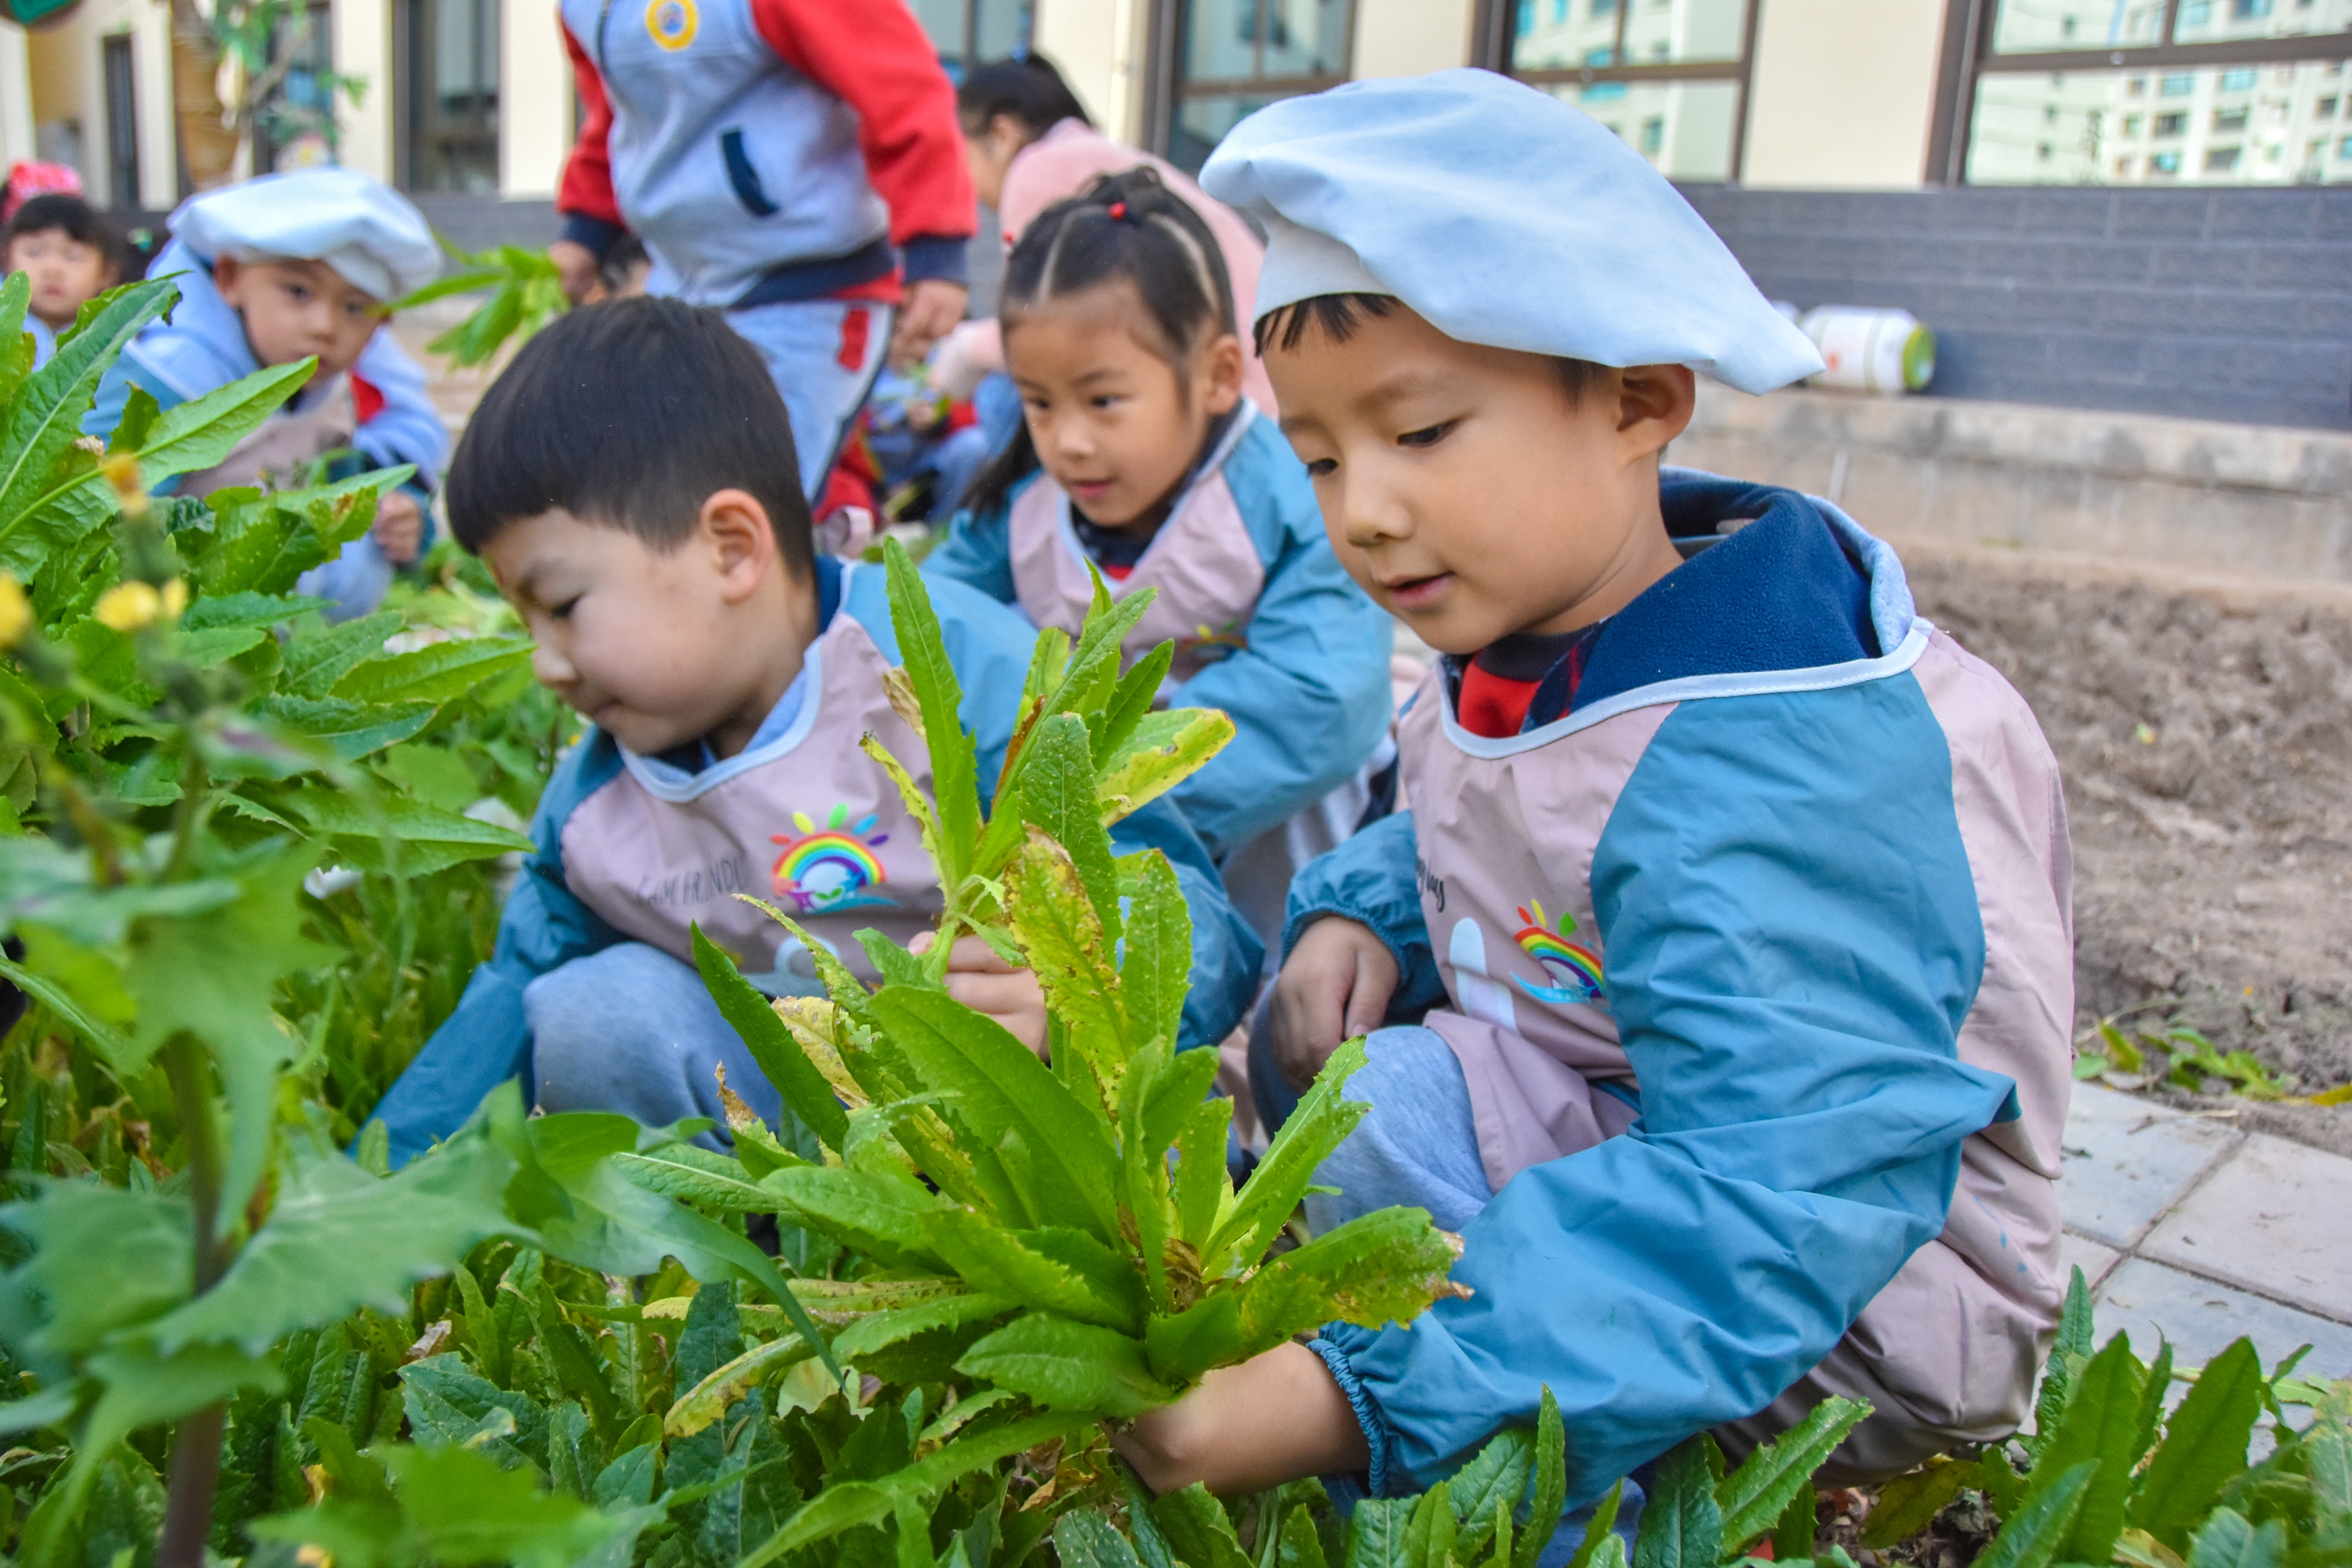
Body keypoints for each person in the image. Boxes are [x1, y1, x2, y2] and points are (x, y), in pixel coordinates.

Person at [1114, 70, 2074, 1526]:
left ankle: (1546, 1500)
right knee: (1341, 1057)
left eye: (1420, 434)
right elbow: (1479, 814)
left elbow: (1777, 1190)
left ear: (1637, 399)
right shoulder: (1543, 622)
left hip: (1853, 1307)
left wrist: (1352, 1394)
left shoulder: (1773, 757)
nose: (1364, 507)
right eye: (1320, 458)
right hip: (1638, 1144)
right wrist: (1363, 909)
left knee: (1382, 1102)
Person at [367, 297, 1263, 1167]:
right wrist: (363, 1202)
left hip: (1009, 1118)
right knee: (587, 1010)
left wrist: (1074, 993)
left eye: (562, 606)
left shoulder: (953, 671)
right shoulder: (597, 805)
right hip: (794, 1127)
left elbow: (1175, 897)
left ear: (731, 546)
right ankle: (742, 1245)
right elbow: (511, 996)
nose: (546, 663)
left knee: (1147, 1141)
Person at [921, 169, 1393, 947]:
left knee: (1295, 845)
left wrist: (1098, 784)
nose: (1068, 440)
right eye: (1039, 402)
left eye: (1103, 400)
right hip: (1089, 803)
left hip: (1254, 792)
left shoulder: (1281, 494)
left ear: (1215, 376)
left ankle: (1269, 997)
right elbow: (932, 622)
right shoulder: (1026, 504)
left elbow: (1322, 698)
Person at [546, 0, 975, 500]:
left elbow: (901, 89)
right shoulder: (585, 8)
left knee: (756, 503)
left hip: (813, 285)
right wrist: (585, 232)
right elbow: (622, 119)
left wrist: (936, 247)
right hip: (682, 281)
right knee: (669, 499)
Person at [85, 168, 448, 620]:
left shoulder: (326, 388)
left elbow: (345, 483)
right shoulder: (169, 377)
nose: (325, 326)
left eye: (356, 307)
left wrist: (404, 519)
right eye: (299, 292)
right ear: (230, 279)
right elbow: (90, 516)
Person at [935, 52, 1278, 423]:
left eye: (961, 159)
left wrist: (966, 351)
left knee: (1004, 397)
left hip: (1224, 403)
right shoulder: (1096, 156)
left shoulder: (1036, 170)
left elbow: (1042, 326)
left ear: (1001, 135)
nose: (964, 185)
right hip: (1261, 394)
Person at [5, 193, 121, 366]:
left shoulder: (119, 342)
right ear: (6, 262)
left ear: (107, 274)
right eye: (34, 252)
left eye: (73, 257)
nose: (53, 270)